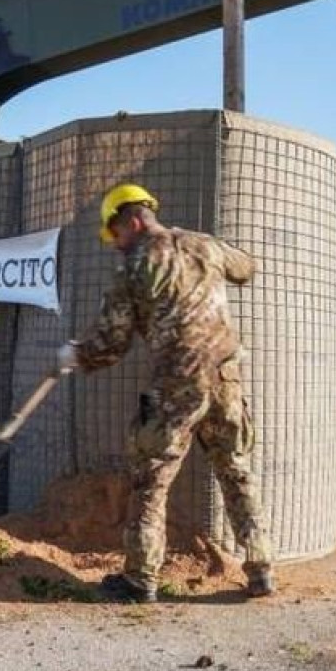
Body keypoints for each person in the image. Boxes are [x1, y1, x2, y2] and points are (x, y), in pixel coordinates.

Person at [58, 183, 275, 603]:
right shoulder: (203, 245)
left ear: (133, 220)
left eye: (115, 234)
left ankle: (141, 580)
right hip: (226, 379)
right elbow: (247, 267)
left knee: (150, 482)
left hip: (177, 386)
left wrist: (76, 355)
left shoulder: (134, 267)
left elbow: (112, 344)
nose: (116, 245)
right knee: (236, 471)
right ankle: (261, 569)